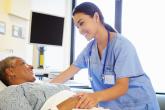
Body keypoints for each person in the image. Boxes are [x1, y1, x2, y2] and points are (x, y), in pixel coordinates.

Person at [50, 2, 160, 110]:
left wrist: (95, 97)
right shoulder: (90, 49)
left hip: (139, 104)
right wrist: (43, 87)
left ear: (96, 17)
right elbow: (68, 72)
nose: (79, 31)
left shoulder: (122, 45)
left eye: (82, 23)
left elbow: (122, 87)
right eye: (77, 27)